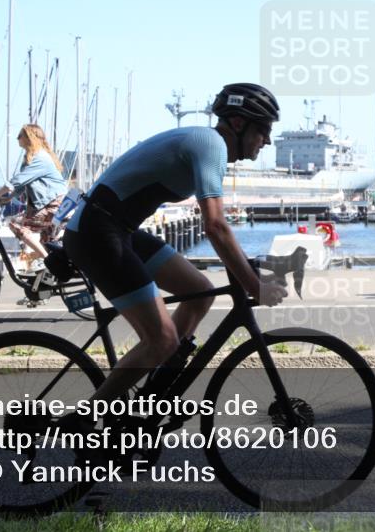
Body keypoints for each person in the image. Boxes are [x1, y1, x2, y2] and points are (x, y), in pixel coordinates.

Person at [63, 83, 288, 406]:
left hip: (115, 229)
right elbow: (215, 225)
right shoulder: (211, 145)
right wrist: (253, 285)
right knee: (163, 338)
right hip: (96, 233)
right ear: (238, 124)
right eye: (263, 130)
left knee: (198, 292)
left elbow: (218, 228)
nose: (267, 140)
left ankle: (152, 393)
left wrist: (245, 271)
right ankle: (86, 418)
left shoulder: (209, 146)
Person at [0, 124, 68, 263]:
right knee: (45, 244)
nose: (17, 139)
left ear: (30, 138)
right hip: (51, 205)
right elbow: (21, 186)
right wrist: (5, 199)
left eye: (20, 136)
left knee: (13, 222)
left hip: (54, 205)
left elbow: (17, 180)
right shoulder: (31, 158)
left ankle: (49, 260)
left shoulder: (40, 158)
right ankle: (48, 268)